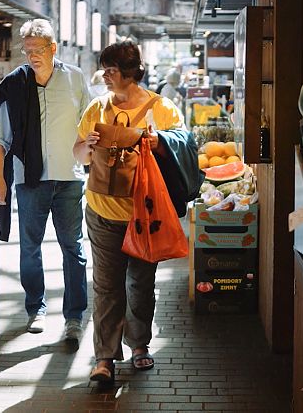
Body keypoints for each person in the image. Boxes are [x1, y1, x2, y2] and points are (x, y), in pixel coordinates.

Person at [74, 41, 191, 383]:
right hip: (101, 209)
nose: (105, 76)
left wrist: (161, 144)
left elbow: (184, 146)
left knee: (141, 281)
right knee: (107, 286)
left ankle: (139, 344)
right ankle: (105, 356)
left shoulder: (162, 109)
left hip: (145, 213)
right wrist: (89, 146)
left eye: (110, 71)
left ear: (129, 73)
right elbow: (78, 154)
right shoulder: (97, 109)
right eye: (104, 70)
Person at [0, 19, 91, 341]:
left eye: (39, 50)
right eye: (28, 50)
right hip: (29, 179)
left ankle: (73, 317)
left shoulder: (75, 79)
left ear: (53, 49)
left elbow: (91, 126)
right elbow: (0, 139)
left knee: (72, 248)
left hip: (69, 177)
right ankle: (36, 307)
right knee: (30, 249)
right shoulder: (15, 85)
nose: (33, 56)